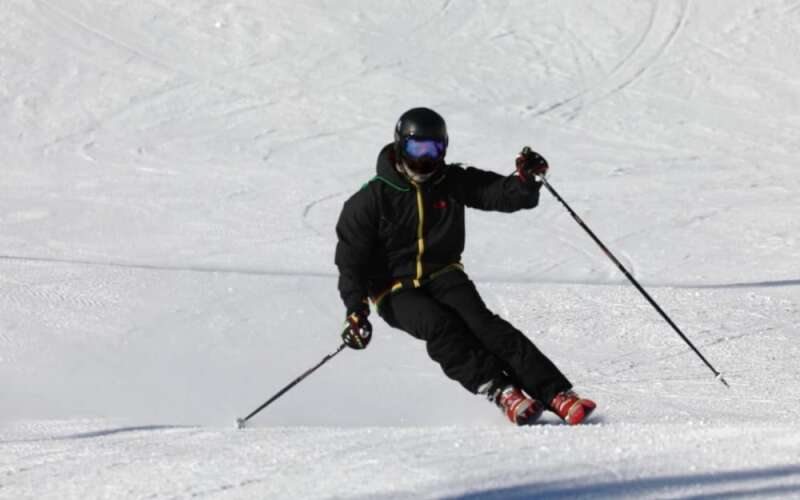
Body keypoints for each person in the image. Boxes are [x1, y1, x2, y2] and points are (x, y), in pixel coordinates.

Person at [334, 107, 595, 426]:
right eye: (417, 148)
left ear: (444, 149)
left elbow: (496, 193)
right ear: (401, 146)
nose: (424, 158)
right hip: (394, 289)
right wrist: (356, 310)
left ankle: (556, 393)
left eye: (433, 149)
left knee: (485, 325)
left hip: (444, 273)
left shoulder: (450, 181)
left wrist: (526, 182)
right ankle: (500, 389)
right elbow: (350, 262)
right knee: (439, 325)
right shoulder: (370, 199)